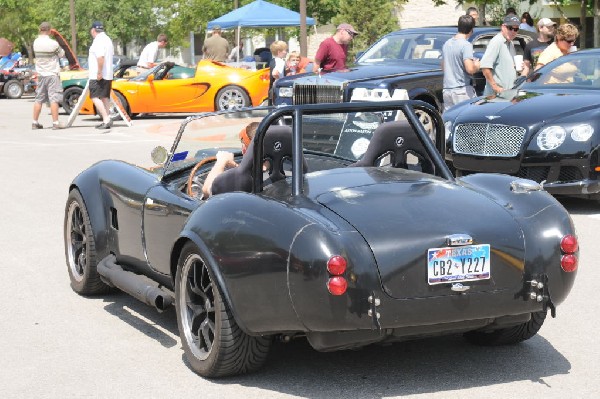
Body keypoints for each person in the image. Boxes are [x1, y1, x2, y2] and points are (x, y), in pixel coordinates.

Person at [201, 122, 259, 198]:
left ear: (244, 148)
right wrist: (236, 166)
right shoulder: (275, 171)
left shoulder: (240, 178)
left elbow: (206, 190)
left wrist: (221, 161)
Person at [441, 15, 480, 111]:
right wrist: (477, 65)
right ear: (471, 29)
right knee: (467, 120)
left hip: (447, 90)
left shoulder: (447, 43)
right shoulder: (466, 45)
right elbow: (470, 69)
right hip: (462, 91)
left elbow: (443, 66)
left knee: (450, 122)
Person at [32, 21, 65, 130]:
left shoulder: (35, 43)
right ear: (50, 31)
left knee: (39, 99)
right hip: (52, 74)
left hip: (41, 74)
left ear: (40, 29)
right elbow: (62, 54)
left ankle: (35, 122)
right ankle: (55, 123)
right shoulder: (53, 44)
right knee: (53, 99)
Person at [480, 15, 520, 96]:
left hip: (508, 94)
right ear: (503, 27)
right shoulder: (497, 42)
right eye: (510, 28)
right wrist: (495, 87)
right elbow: (485, 67)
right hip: (497, 95)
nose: (513, 31)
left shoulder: (510, 43)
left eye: (516, 29)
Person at [88, 21, 115, 130]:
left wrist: (99, 72)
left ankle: (106, 118)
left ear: (93, 30)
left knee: (94, 97)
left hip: (98, 74)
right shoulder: (108, 40)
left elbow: (100, 58)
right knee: (105, 97)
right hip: (108, 73)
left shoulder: (98, 41)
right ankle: (107, 118)